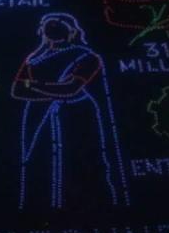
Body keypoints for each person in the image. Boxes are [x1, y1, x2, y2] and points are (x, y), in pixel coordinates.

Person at [11, 12, 129, 210]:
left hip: (75, 115)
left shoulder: (86, 56)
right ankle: (38, 208)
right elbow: (17, 90)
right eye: (49, 26)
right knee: (38, 161)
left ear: (72, 31)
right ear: (42, 31)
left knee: (80, 159)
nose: (53, 30)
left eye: (59, 27)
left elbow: (70, 88)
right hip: (37, 114)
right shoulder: (33, 59)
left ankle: (91, 207)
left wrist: (34, 85)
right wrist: (51, 89)